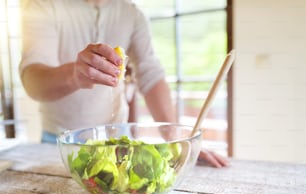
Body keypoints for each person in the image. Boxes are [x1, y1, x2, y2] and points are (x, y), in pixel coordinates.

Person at [20, 0, 228, 168]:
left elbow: (151, 75)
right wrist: (75, 74)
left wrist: (177, 140)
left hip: (119, 141)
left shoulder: (131, 14)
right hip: (60, 144)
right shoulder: (41, 5)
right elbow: (32, 81)